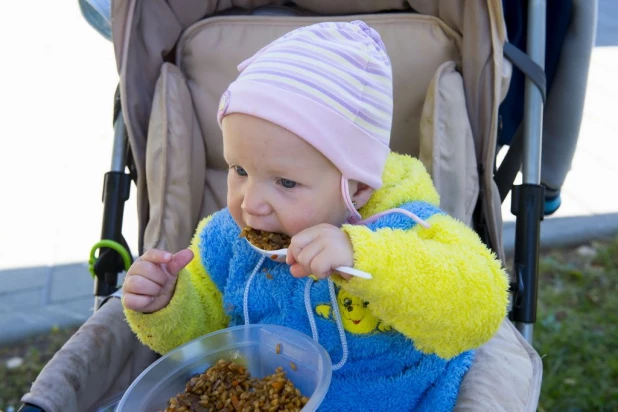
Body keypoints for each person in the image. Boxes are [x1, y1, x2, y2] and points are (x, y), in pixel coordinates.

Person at [121, 20, 509, 410]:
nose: (251, 203)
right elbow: (209, 338)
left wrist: (366, 258)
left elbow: (482, 305)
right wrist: (168, 302)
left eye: (286, 183)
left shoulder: (407, 227)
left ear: (355, 187)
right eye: (239, 171)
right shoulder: (227, 240)